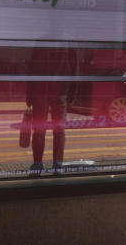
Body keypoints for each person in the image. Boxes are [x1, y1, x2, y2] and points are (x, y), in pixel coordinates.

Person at [26, 47, 72, 175]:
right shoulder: (65, 42)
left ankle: (43, 164)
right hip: (48, 93)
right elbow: (32, 69)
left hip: (52, 93)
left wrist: (71, 94)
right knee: (51, 130)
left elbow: (73, 70)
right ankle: (48, 164)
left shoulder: (65, 43)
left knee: (49, 130)